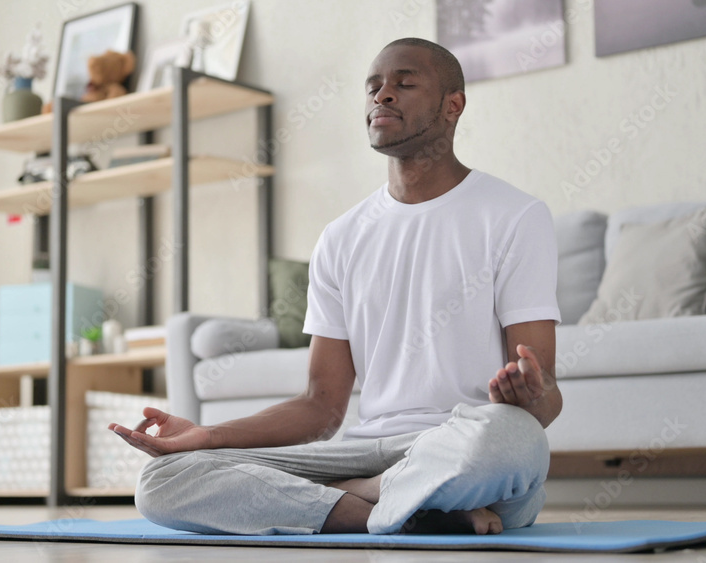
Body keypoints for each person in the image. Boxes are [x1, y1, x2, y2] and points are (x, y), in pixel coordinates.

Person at [109, 37, 562, 536]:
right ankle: (392, 511)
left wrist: (529, 399)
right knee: (163, 480)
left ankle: (364, 495)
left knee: (515, 440)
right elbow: (321, 408)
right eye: (373, 87)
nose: (382, 95)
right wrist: (207, 436)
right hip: (362, 450)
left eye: (404, 83)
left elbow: (545, 402)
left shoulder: (515, 216)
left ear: (452, 106)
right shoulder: (341, 237)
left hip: (461, 444)